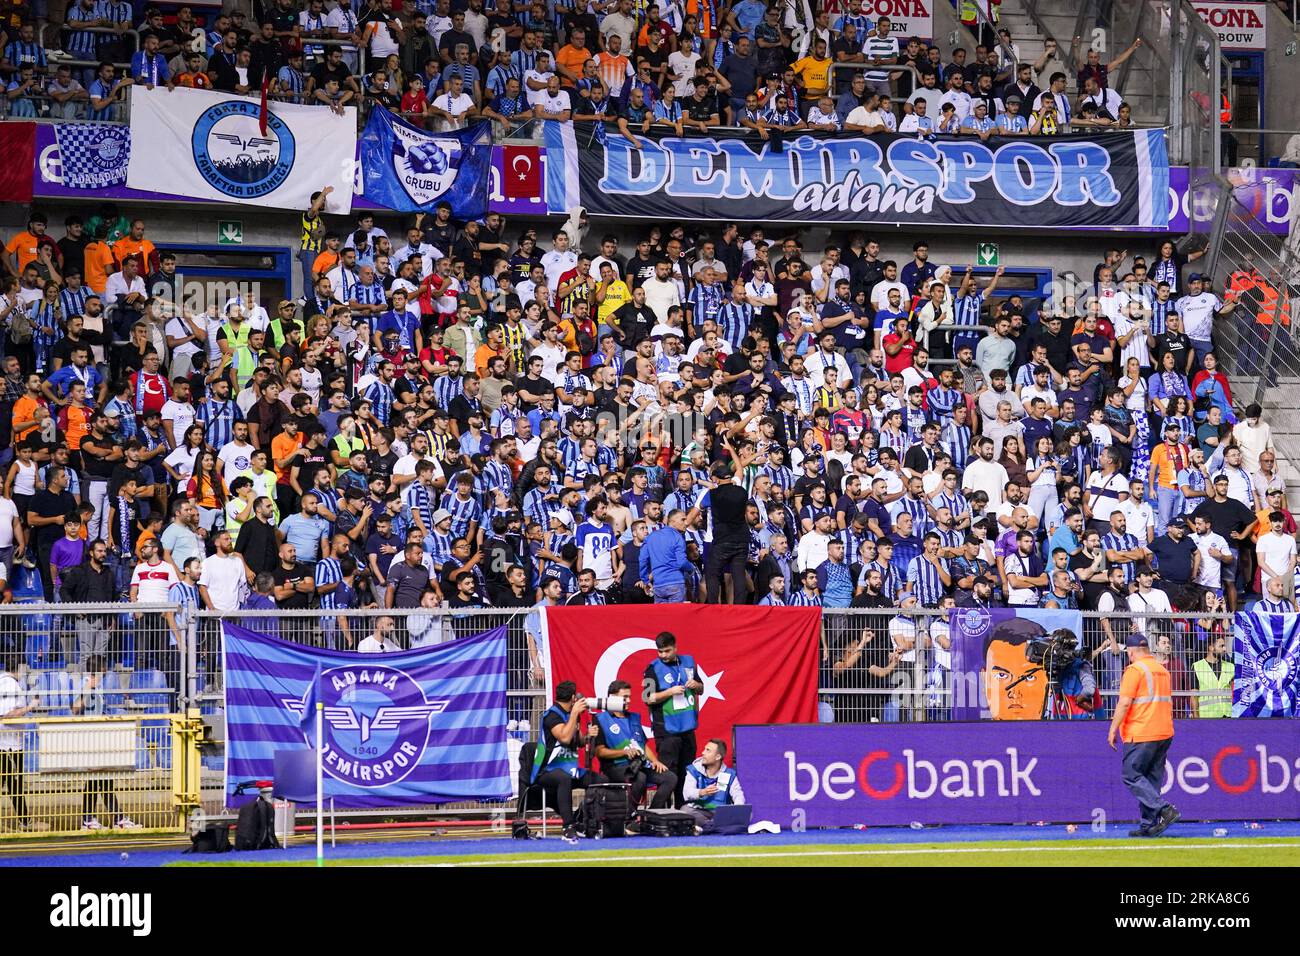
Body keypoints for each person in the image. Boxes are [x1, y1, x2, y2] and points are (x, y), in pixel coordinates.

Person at [1107, 633, 1180, 838]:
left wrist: (1113, 729)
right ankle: (1149, 825)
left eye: (1128, 653)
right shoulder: (1162, 671)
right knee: (1151, 779)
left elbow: (1124, 703)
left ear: (1131, 652)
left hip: (1141, 732)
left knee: (1130, 775)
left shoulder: (1134, 670)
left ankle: (1164, 809)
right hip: (1164, 731)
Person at [529, 680, 608, 841]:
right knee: (564, 780)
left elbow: (577, 741)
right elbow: (565, 737)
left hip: (570, 768)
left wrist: (587, 737)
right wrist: (573, 715)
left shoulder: (573, 715)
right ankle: (568, 827)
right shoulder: (551, 715)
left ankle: (585, 820)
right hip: (547, 770)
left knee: (600, 780)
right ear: (573, 698)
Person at [71, 654, 141, 830]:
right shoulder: (85, 683)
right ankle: (111, 819)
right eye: (104, 669)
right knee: (99, 779)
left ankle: (98, 819)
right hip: (88, 739)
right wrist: (88, 687)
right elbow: (75, 708)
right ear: (100, 670)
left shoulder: (100, 687)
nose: (106, 672)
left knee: (100, 779)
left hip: (100, 738)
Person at [590, 679, 677, 814]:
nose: (629, 700)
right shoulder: (600, 719)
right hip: (615, 767)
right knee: (639, 777)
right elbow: (599, 752)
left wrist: (655, 761)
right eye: (625, 697)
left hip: (639, 764)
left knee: (670, 777)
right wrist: (623, 753)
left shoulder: (634, 718)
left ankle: (651, 814)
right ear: (612, 698)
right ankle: (629, 816)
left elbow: (643, 744)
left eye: (629, 697)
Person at [641, 631, 703, 808]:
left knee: (686, 772)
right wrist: (670, 691)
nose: (663, 655)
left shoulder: (689, 662)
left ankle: (683, 810)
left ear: (675, 648)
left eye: (667, 651)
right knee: (669, 774)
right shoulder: (652, 669)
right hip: (667, 730)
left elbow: (701, 688)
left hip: (688, 728)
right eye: (660, 651)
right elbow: (647, 698)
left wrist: (696, 685)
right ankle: (663, 811)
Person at [681, 738, 745, 831]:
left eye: (708, 750)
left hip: (721, 812)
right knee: (685, 811)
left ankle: (709, 827)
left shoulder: (729, 774)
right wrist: (702, 792)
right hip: (700, 811)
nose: (703, 753)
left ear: (718, 757)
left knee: (747, 813)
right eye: (704, 749)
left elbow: (737, 793)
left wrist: (738, 808)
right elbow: (687, 793)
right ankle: (716, 827)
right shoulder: (693, 770)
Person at [1191, 633, 1234, 718]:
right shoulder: (1197, 666)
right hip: (1207, 716)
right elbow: (1194, 695)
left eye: (1224, 646)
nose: (1224, 649)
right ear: (1211, 648)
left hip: (1228, 714)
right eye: (1221, 646)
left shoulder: (1230, 666)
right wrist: (1196, 716)